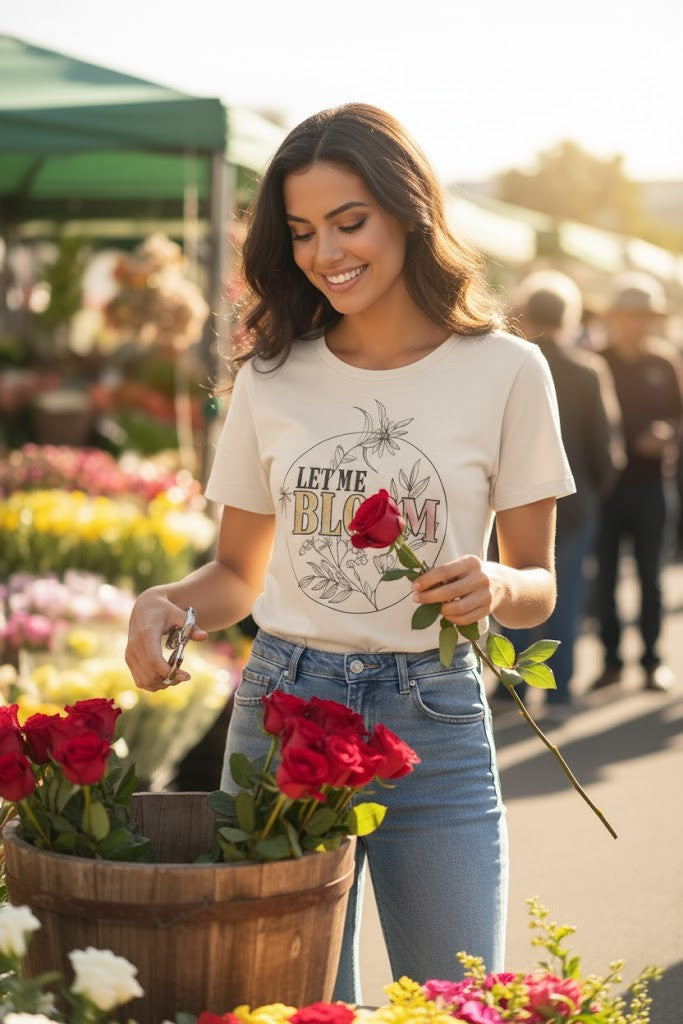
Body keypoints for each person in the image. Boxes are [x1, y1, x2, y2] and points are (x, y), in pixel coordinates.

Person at [125, 103, 574, 1003]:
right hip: (284, 707)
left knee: (454, 1002)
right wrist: (164, 603)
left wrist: (495, 581)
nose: (325, 253)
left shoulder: (507, 370)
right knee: (290, 1007)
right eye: (300, 232)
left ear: (409, 210)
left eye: (348, 221)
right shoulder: (271, 375)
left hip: (434, 720)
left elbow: (540, 585)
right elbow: (236, 578)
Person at [499, 271, 624, 722]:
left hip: (509, 501)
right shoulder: (588, 369)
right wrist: (590, 493)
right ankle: (558, 692)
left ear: (525, 314)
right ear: (569, 315)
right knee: (564, 595)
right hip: (573, 504)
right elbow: (607, 451)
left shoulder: (508, 363)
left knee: (508, 593)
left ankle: (507, 690)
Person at [592, 273, 682, 692]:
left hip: (652, 488)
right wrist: (631, 441)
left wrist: (667, 432)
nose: (639, 324)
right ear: (616, 318)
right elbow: (589, 426)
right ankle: (611, 662)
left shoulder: (663, 362)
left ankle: (651, 661)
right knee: (606, 576)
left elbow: (677, 417)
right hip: (608, 489)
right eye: (632, 316)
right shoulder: (599, 361)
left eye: (647, 316)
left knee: (651, 575)